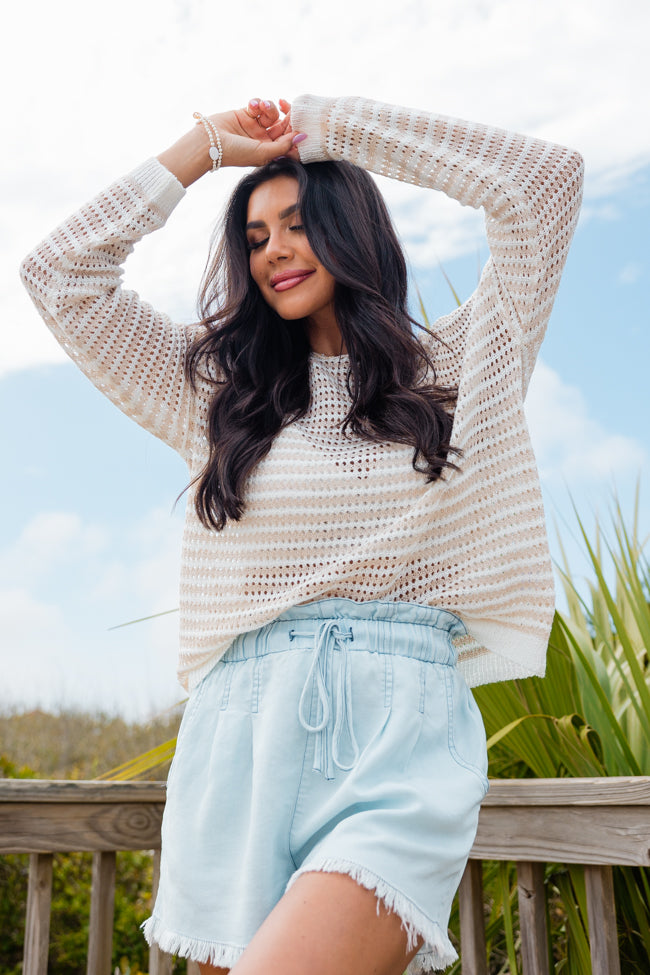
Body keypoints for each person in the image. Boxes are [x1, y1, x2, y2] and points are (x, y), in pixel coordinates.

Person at [20, 94, 584, 975]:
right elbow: (58, 275)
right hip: (240, 740)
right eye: (254, 236)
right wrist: (203, 148)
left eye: (296, 223)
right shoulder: (217, 395)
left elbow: (544, 183)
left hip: (401, 741)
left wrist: (324, 129)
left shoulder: (463, 367)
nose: (274, 249)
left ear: (352, 227)